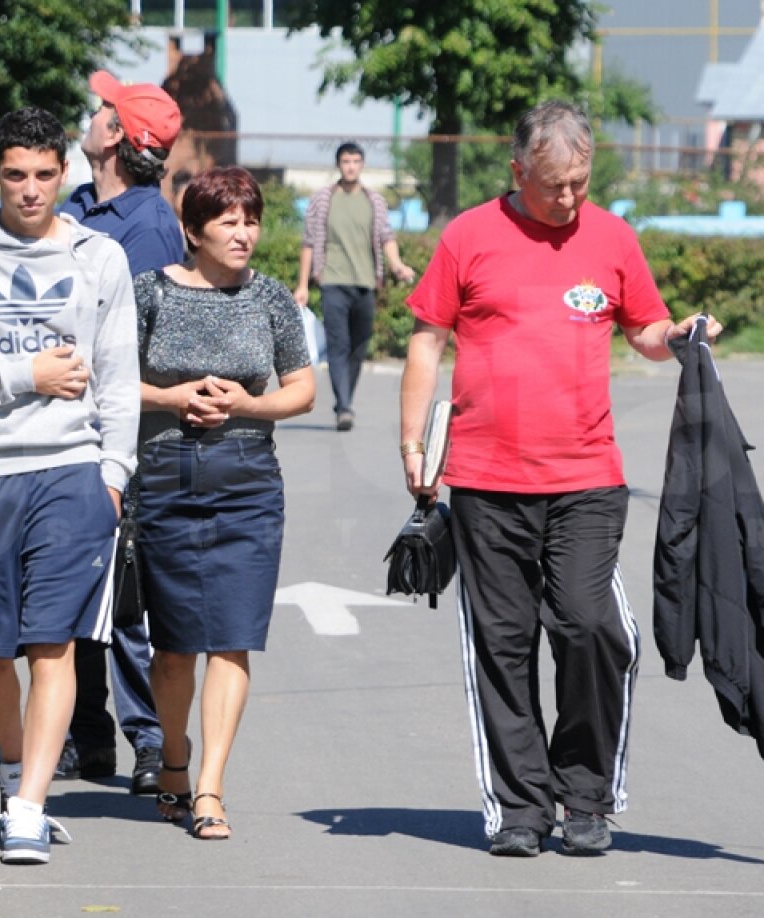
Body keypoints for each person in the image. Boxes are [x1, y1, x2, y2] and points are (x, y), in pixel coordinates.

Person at [399, 101, 722, 858]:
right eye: (554, 186)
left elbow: (644, 326)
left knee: (587, 626)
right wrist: (413, 441)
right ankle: (521, 806)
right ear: (517, 173)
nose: (570, 199)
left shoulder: (610, 237)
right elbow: (427, 339)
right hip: (484, 478)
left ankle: (586, 794)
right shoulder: (469, 237)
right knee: (503, 644)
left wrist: (675, 336)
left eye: (580, 181)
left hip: (586, 478)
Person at [0, 106, 139, 864]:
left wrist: (112, 475)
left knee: (53, 646)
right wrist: (27, 373)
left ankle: (30, 809)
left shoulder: (97, 257)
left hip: (71, 474)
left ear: (65, 173)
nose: (31, 190)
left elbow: (118, 377)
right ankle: (14, 763)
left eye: (45, 175)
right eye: (16, 175)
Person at [133, 166, 315, 839]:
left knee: (234, 640)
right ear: (192, 230)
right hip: (167, 471)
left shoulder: (270, 299)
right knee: (177, 642)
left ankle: (210, 787)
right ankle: (173, 758)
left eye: (251, 220)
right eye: (228, 222)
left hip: (248, 480)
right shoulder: (148, 293)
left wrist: (251, 403)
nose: (244, 234)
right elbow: (113, 376)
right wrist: (174, 397)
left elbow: (302, 388)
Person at [56, 70, 184, 796]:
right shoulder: (77, 206)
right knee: (72, 589)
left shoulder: (148, 226)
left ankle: (146, 738)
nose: (92, 111)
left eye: (102, 108)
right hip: (64, 424)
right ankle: (88, 735)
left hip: (121, 431)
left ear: (117, 137)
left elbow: (126, 340)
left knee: (126, 590)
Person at [294, 141, 415, 431]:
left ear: (361, 165)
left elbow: (386, 236)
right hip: (333, 281)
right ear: (339, 165)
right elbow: (310, 243)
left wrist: (397, 265)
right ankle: (344, 406)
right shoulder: (323, 199)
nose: (350, 166)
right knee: (339, 345)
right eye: (346, 161)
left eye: (355, 161)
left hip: (365, 283)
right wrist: (302, 284)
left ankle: (344, 396)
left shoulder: (374, 200)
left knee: (359, 346)